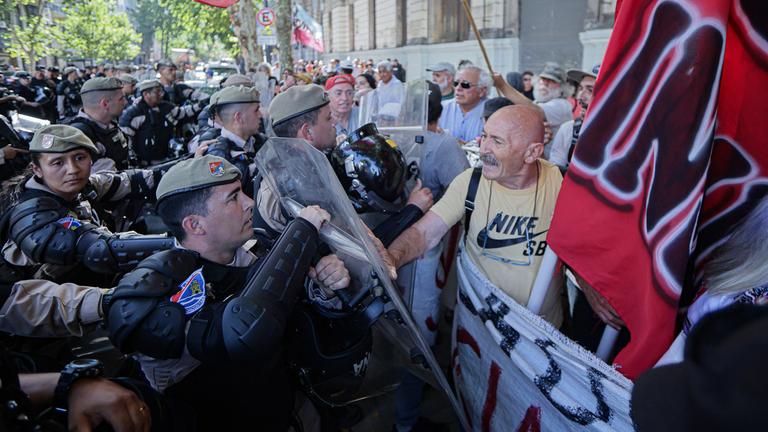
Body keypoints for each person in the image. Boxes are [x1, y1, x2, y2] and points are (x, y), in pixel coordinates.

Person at [107, 155, 348, 430]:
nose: (250, 203)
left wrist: (326, 286)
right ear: (195, 225)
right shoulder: (157, 296)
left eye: (243, 191)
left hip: (281, 402)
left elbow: (301, 312)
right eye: (234, 198)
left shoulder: (256, 251)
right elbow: (243, 331)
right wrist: (302, 231)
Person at [388, 105, 564, 326]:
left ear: (532, 152)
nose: (483, 150)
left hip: (539, 335)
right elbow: (424, 234)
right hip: (477, 328)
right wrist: (391, 258)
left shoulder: (562, 185)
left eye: (497, 141)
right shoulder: (470, 182)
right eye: (485, 136)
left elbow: (583, 250)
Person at [0, 125, 174, 287]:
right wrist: (176, 243)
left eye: (80, 158)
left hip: (87, 285)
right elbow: (100, 249)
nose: (73, 169)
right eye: (58, 162)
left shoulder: (82, 187)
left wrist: (193, 164)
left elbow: (139, 180)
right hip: (44, 309)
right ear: (36, 169)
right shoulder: (31, 215)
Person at [392, 81, 470, 432]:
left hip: (389, 246)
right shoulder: (444, 145)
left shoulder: (390, 136)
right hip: (423, 256)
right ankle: (405, 421)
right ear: (440, 109)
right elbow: (464, 197)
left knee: (399, 332)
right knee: (419, 337)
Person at [492, 63, 572, 158]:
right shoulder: (538, 102)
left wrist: (503, 86)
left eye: (551, 81)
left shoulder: (562, 105)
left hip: (552, 165)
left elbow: (533, 110)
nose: (544, 83)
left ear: (561, 87)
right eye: (543, 79)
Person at [118, 79, 205, 165]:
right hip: (144, 164)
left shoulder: (166, 107)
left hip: (167, 159)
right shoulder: (134, 113)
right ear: (145, 94)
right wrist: (132, 160)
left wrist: (200, 105)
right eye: (157, 92)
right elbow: (125, 138)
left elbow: (183, 112)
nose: (161, 94)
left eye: (161, 91)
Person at [202, 85, 262, 196]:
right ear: (239, 117)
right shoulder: (217, 155)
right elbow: (221, 198)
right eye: (256, 110)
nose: (260, 115)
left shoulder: (259, 142)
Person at [66, 77, 131, 171]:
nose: (125, 102)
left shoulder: (110, 125)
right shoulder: (78, 135)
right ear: (105, 104)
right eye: (121, 99)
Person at [549, 64, 599, 171]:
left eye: (590, 90)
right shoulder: (568, 130)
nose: (581, 96)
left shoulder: (625, 134)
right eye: (580, 88)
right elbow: (555, 172)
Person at [438, 65, 489, 143]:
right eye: (456, 83)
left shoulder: (492, 111)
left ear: (482, 91)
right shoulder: (440, 108)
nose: (458, 88)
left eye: (465, 85)